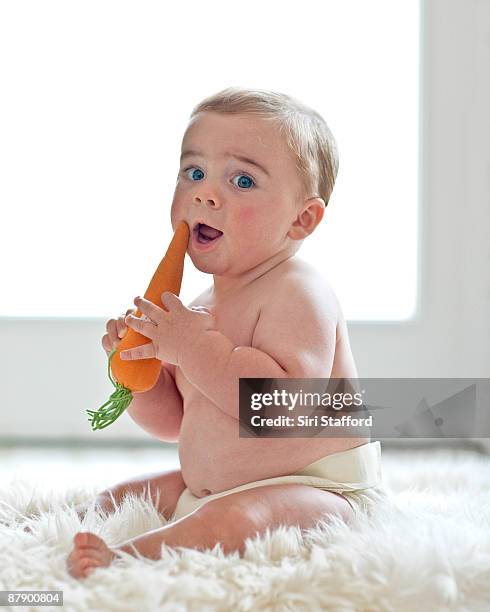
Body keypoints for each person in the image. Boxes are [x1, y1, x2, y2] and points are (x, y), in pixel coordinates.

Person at [67, 86, 386, 579]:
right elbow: (173, 423)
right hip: (213, 487)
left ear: (302, 219)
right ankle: (64, 535)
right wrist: (139, 375)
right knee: (122, 497)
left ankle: (129, 561)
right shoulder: (197, 308)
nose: (205, 192)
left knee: (238, 519)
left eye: (241, 180)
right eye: (194, 172)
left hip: (318, 492)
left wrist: (194, 349)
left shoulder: (299, 292)